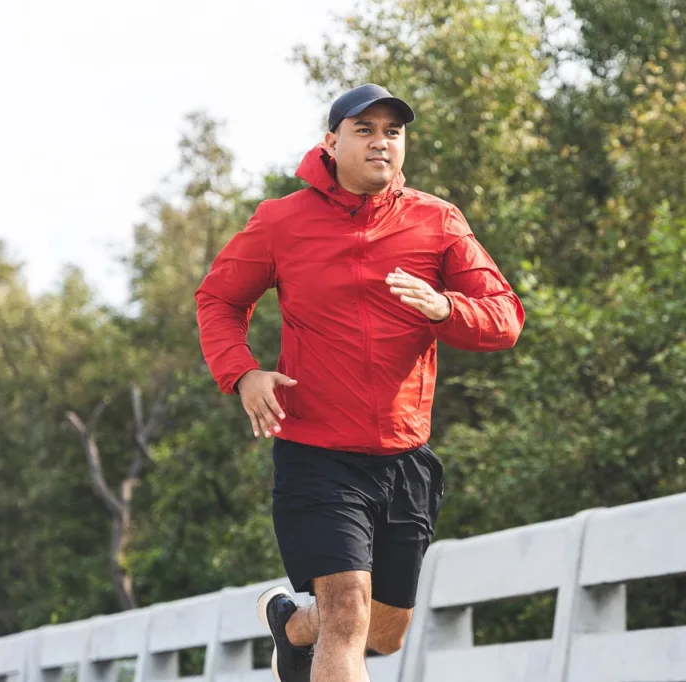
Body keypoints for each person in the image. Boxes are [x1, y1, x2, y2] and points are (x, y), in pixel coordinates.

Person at [194, 83, 525, 682]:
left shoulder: (437, 220)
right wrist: (242, 374)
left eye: (392, 132)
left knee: (385, 632)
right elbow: (218, 300)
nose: (380, 143)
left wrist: (446, 309)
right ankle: (314, 626)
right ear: (331, 142)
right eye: (364, 130)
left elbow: (505, 319)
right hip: (317, 454)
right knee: (347, 608)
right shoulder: (281, 222)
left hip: (405, 457)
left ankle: (292, 627)